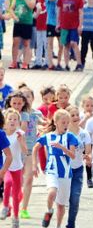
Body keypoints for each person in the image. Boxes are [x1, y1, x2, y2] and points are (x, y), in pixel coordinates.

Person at [32, 109, 78, 228]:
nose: (65, 125)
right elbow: (35, 148)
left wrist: (62, 147)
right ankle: (48, 210)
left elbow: (73, 155)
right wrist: (35, 165)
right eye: (63, 122)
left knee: (61, 204)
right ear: (56, 122)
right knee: (52, 192)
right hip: (52, 170)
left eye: (67, 123)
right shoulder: (48, 136)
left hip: (65, 173)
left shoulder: (70, 137)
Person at [19, 86, 45, 219]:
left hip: (30, 151)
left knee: (28, 178)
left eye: (28, 96)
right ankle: (14, 202)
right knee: (18, 180)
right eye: (23, 97)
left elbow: (44, 124)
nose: (26, 99)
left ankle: (24, 208)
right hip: (17, 151)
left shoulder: (37, 114)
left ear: (33, 98)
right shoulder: (16, 114)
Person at [65, 106, 92, 228]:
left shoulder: (84, 133)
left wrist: (88, 157)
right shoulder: (62, 134)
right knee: (63, 199)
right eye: (73, 115)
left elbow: (88, 151)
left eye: (77, 115)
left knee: (74, 198)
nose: (76, 117)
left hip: (77, 170)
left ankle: (70, 226)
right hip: (63, 170)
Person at [0, 109, 26, 228]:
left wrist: (21, 142)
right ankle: (5, 206)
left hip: (17, 167)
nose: (12, 121)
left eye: (15, 119)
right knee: (8, 183)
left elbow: (25, 151)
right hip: (6, 166)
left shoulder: (19, 133)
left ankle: (15, 218)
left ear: (18, 122)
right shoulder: (2, 134)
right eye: (10, 119)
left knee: (16, 195)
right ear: (5, 121)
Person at [57, 0, 84, 71]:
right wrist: (58, 23)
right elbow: (59, 10)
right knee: (66, 44)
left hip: (74, 25)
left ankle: (79, 64)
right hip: (64, 25)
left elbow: (81, 12)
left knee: (74, 43)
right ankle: (67, 65)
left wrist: (80, 25)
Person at [9, 0, 36, 70]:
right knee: (15, 42)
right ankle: (14, 62)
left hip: (27, 23)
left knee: (26, 43)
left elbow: (32, 6)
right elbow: (11, 8)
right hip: (18, 22)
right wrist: (14, 16)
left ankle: (25, 63)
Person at [45, 0, 62, 70]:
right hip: (50, 23)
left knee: (61, 44)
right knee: (50, 44)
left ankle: (59, 62)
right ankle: (50, 63)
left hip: (59, 23)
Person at [33, 0, 49, 69]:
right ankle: (38, 61)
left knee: (46, 44)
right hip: (39, 25)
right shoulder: (37, 1)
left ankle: (47, 61)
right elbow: (34, 14)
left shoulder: (49, 0)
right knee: (39, 44)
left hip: (46, 26)